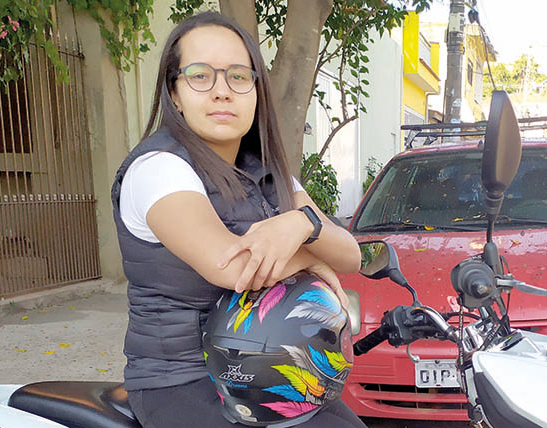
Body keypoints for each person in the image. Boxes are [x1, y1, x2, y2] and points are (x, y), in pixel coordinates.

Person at [110, 11, 364, 428]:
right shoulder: (158, 168)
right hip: (182, 381)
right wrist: (311, 257)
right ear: (174, 93)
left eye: (238, 77)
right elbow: (232, 267)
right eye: (200, 76)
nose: (222, 92)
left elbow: (351, 254)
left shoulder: (266, 172)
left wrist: (303, 224)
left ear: (256, 91)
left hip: (265, 370)